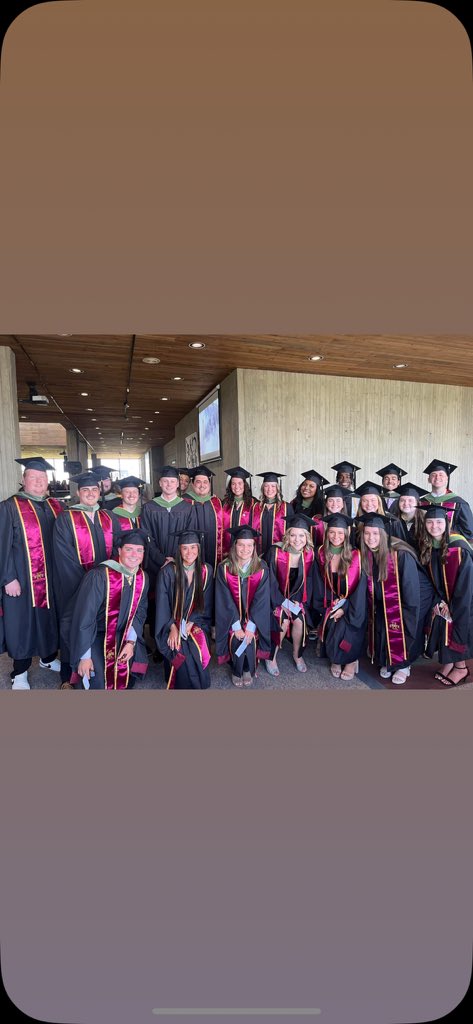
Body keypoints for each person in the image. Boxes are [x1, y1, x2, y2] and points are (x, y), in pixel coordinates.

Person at [52, 470, 123, 688]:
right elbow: (64, 556)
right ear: (78, 492)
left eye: (94, 489)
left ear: (99, 491)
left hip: (107, 585)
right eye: (86, 490)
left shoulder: (108, 517)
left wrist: (107, 580)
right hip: (75, 586)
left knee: (103, 624)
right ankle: (68, 676)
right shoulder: (66, 518)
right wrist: (88, 585)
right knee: (72, 624)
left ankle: (100, 664)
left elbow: (118, 549)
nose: (91, 493)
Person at [0, 456, 64, 689]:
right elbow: (1, 544)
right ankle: (19, 671)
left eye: (42, 478)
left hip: (50, 579)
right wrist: (8, 578)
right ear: (23, 479)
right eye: (33, 477)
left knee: (49, 618)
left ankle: (47, 658)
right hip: (22, 579)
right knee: (22, 623)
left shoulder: (56, 506)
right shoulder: (9, 506)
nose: (38, 482)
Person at [69, 529, 149, 689]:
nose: (134, 554)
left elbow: (140, 612)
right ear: (119, 550)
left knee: (129, 669)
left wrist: (131, 642)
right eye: (129, 549)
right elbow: (85, 618)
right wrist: (85, 656)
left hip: (124, 633)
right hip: (95, 636)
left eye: (139, 550)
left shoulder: (142, 577)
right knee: (97, 678)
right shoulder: (99, 576)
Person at [358, 512, 425, 685]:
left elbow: (410, 593)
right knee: (382, 624)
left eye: (375, 533)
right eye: (367, 533)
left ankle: (404, 664)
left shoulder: (400, 554)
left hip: (411, 597)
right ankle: (388, 660)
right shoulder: (367, 553)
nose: (371, 537)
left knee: (405, 626)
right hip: (385, 600)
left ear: (384, 534)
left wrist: (405, 613)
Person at [419, 506, 473, 686]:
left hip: (464, 600)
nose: (434, 526)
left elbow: (466, 585)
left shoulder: (459, 548)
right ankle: (449, 662)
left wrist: (452, 606)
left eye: (439, 522)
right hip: (444, 598)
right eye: (430, 522)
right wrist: (439, 601)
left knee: (456, 624)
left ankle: (461, 667)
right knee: (442, 622)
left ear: (447, 523)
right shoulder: (428, 545)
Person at [155, 529, 214, 689]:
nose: (190, 552)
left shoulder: (206, 570)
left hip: (197, 620)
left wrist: (191, 623)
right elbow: (162, 605)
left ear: (199, 549)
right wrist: (172, 626)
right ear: (179, 550)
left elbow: (206, 604)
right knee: (179, 648)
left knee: (194, 647)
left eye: (193, 547)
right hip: (170, 622)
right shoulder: (168, 572)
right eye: (185, 548)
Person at [312, 513, 367, 681]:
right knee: (332, 622)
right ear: (327, 533)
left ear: (346, 534)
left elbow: (361, 587)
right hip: (331, 600)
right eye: (332, 532)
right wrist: (330, 604)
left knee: (348, 625)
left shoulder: (356, 555)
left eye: (341, 533)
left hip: (353, 603)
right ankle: (336, 657)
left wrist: (345, 607)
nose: (336, 537)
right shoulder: (321, 552)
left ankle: (351, 660)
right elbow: (318, 581)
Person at [215, 525, 270, 687]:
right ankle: (236, 670)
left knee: (250, 636)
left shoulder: (262, 568)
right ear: (234, 546)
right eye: (241, 545)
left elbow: (262, 601)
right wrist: (236, 625)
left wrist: (251, 626)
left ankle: (248, 668)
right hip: (231, 617)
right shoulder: (224, 568)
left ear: (254, 547)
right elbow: (224, 600)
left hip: (254, 618)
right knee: (235, 636)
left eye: (249, 545)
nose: (245, 549)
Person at [266, 512, 315, 676]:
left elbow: (308, 582)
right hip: (274, 600)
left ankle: (297, 655)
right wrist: (282, 603)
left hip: (295, 600)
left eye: (301, 535)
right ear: (287, 536)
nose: (297, 539)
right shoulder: (275, 552)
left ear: (307, 537)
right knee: (283, 620)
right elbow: (269, 581)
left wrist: (297, 602)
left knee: (300, 620)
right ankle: (271, 657)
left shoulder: (309, 555)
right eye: (293, 535)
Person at [419, 459, 473, 542]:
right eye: (434, 475)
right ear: (429, 479)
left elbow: (468, 531)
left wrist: (447, 537)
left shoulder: (459, 503)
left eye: (441, 475)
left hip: (450, 547)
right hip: (424, 546)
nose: (437, 477)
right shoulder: (421, 502)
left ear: (447, 479)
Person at [184, 465, 224, 575]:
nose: (202, 485)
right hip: (190, 552)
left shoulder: (217, 502)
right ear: (192, 484)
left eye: (205, 482)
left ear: (209, 484)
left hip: (214, 552)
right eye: (198, 482)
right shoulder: (184, 502)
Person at [251, 472, 288, 561]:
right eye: (266, 486)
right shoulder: (256, 507)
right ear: (263, 488)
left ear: (277, 488)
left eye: (273, 486)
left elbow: (290, 531)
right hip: (258, 552)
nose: (269, 489)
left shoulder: (286, 507)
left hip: (278, 554)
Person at [221, 466, 255, 557]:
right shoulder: (224, 503)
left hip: (245, 551)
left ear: (245, 485)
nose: (236, 487)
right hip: (227, 550)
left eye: (240, 483)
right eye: (233, 484)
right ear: (230, 485)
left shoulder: (254, 504)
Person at [392, 482, 426, 553]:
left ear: (417, 502)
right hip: (399, 560)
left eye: (410, 500)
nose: (406, 503)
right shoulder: (392, 522)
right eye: (402, 500)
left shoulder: (425, 521)